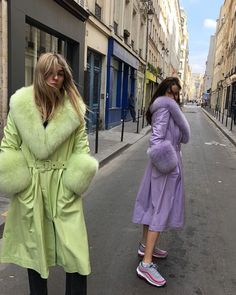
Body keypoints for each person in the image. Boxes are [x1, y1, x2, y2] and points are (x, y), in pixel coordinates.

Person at [0, 53, 99, 295]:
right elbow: (8, 146)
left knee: (76, 257)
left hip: (63, 189)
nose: (55, 78)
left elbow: (81, 150)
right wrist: (21, 184)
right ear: (39, 74)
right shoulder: (20, 106)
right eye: (49, 73)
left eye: (60, 73)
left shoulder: (74, 108)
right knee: (36, 255)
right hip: (31, 190)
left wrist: (70, 186)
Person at [132, 77, 190, 287]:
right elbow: (156, 142)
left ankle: (144, 247)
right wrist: (170, 164)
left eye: (176, 93)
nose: (173, 97)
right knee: (160, 209)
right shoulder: (165, 109)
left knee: (152, 206)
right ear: (163, 91)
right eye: (170, 92)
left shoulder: (170, 109)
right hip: (165, 166)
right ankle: (146, 265)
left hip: (164, 165)